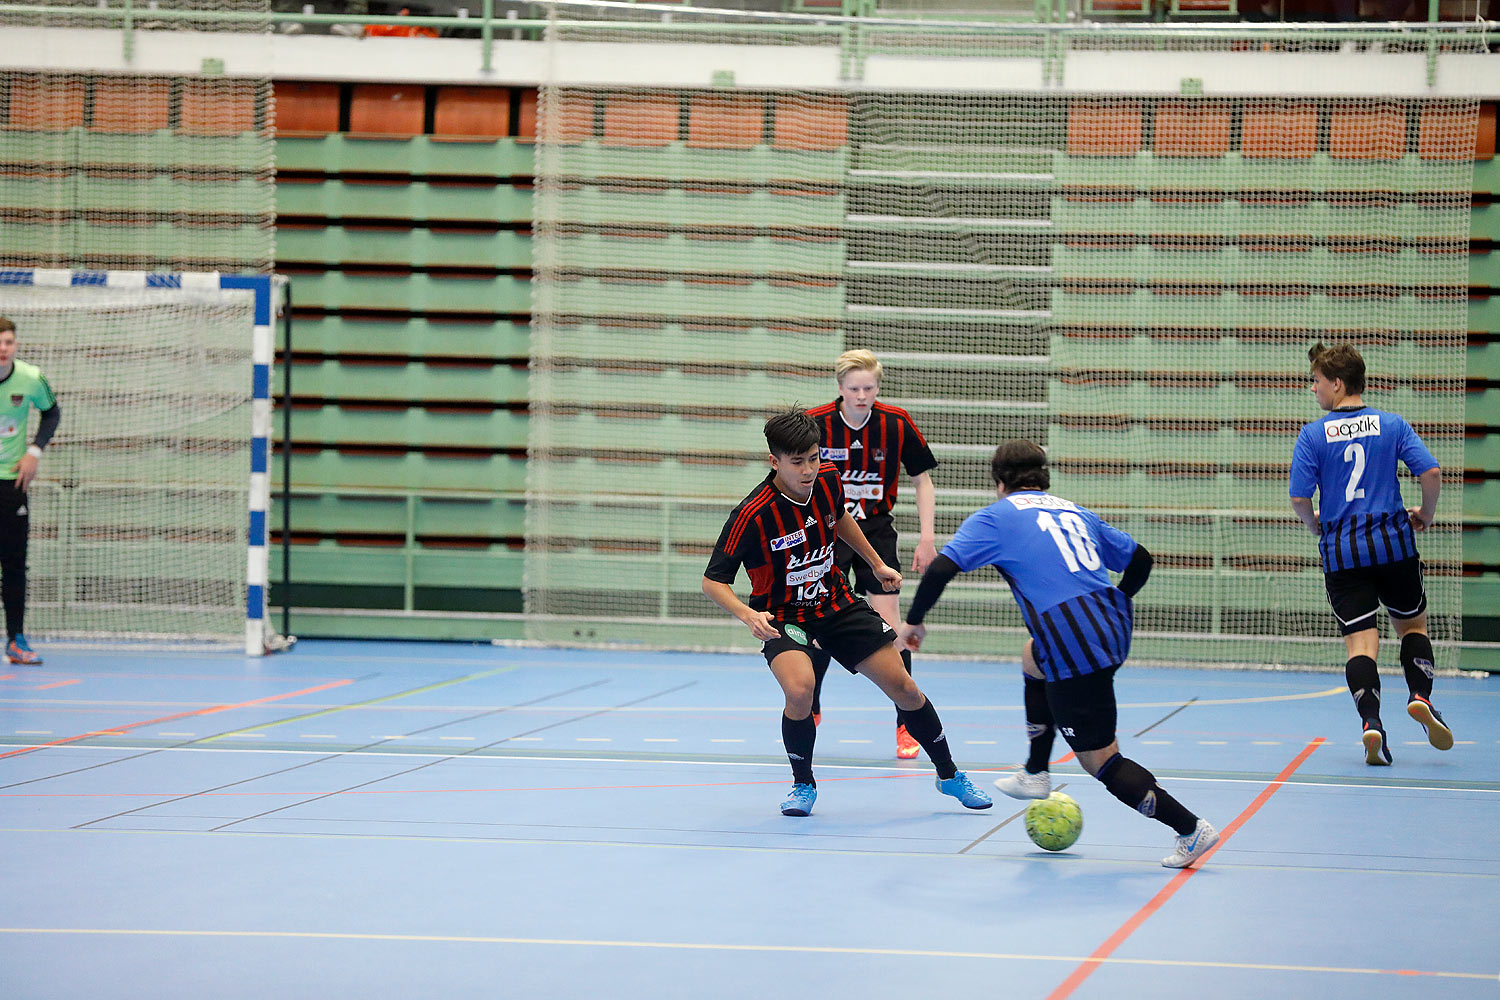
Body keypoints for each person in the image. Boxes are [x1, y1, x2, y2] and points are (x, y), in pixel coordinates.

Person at [897, 440, 1220, 869]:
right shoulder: (1072, 509)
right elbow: (1140, 559)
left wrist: (914, 622)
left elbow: (941, 568)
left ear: (999, 483)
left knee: (1100, 760)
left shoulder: (996, 516)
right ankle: (1036, 772)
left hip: (1071, 632)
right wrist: (1114, 601)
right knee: (1033, 655)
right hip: (1108, 623)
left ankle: (1189, 828)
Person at [701, 408, 992, 817]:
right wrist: (747, 615)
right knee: (800, 690)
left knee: (906, 689)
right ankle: (803, 785)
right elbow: (713, 581)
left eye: (814, 458)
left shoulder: (828, 480)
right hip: (783, 616)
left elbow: (840, 518)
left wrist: (875, 563)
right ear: (775, 461)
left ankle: (949, 775)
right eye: (797, 461)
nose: (808, 469)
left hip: (837, 603)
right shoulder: (752, 514)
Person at [1289, 342, 1451, 766]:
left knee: (1361, 645)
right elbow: (1431, 472)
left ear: (1338, 384)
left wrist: (1315, 526)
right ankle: (1420, 696)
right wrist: (1426, 515)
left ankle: (1371, 723)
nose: (1314, 390)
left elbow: (1300, 498)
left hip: (1343, 552)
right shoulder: (1392, 424)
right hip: (1393, 544)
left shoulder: (1312, 435)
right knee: (1412, 627)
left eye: (1317, 382)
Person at [806, 350, 938, 759]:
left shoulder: (895, 423)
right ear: (840, 388)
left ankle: (906, 724)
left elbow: (922, 480)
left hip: (876, 532)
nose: (862, 395)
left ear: (878, 387)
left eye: (869, 388)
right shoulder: (817, 423)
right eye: (854, 389)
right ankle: (810, 707)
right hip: (826, 532)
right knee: (817, 623)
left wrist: (927, 538)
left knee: (891, 629)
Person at [0, 317, 60, 666]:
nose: (3, 348)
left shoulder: (31, 378)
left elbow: (52, 413)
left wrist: (34, 451)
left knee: (14, 565)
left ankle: (16, 640)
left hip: (12, 484)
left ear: (15, 344)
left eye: (8, 341)